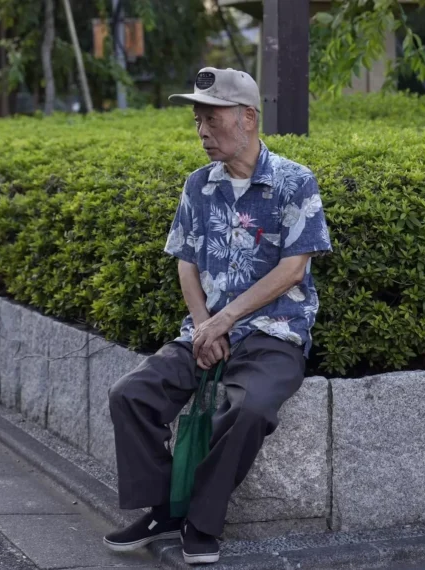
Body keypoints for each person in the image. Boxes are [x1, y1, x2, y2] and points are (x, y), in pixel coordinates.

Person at [102, 67, 332, 565]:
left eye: (212, 118)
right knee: (131, 395)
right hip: (204, 329)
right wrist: (204, 323)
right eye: (197, 120)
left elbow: (293, 269)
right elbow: (187, 261)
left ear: (247, 118)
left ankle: (202, 522)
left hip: (275, 335)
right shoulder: (198, 185)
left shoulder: (294, 181)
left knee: (249, 410)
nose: (202, 131)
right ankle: (165, 507)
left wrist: (224, 320)